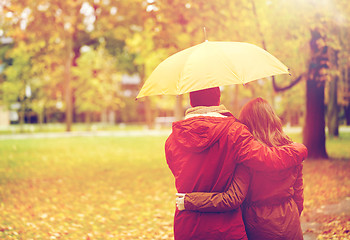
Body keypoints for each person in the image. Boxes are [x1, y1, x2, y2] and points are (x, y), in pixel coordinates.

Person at [165, 87, 307, 240]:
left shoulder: (171, 140)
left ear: (191, 102)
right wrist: (299, 150)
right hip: (226, 228)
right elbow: (268, 159)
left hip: (187, 226)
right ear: (218, 100)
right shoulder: (235, 133)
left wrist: (188, 200)